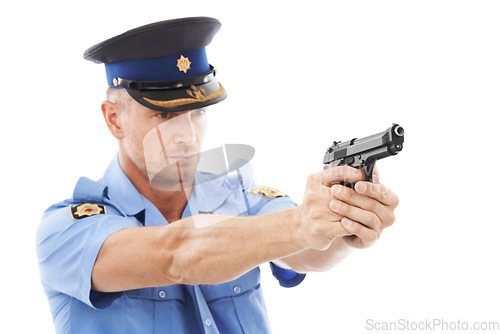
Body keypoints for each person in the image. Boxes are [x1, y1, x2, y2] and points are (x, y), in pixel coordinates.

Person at [36, 17, 400, 334]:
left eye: (197, 112)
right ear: (114, 118)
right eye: (164, 116)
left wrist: (347, 224)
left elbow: (304, 253)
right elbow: (176, 254)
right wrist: (301, 224)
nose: (187, 135)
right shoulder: (68, 230)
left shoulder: (236, 195)